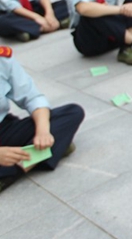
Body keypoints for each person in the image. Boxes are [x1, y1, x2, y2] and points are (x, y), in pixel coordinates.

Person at [0, 49, 84, 193]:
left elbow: (32, 97)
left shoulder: (3, 59)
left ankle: (12, 171)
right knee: (55, 139)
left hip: (3, 128)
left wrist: (43, 132)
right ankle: (45, 154)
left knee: (72, 113)